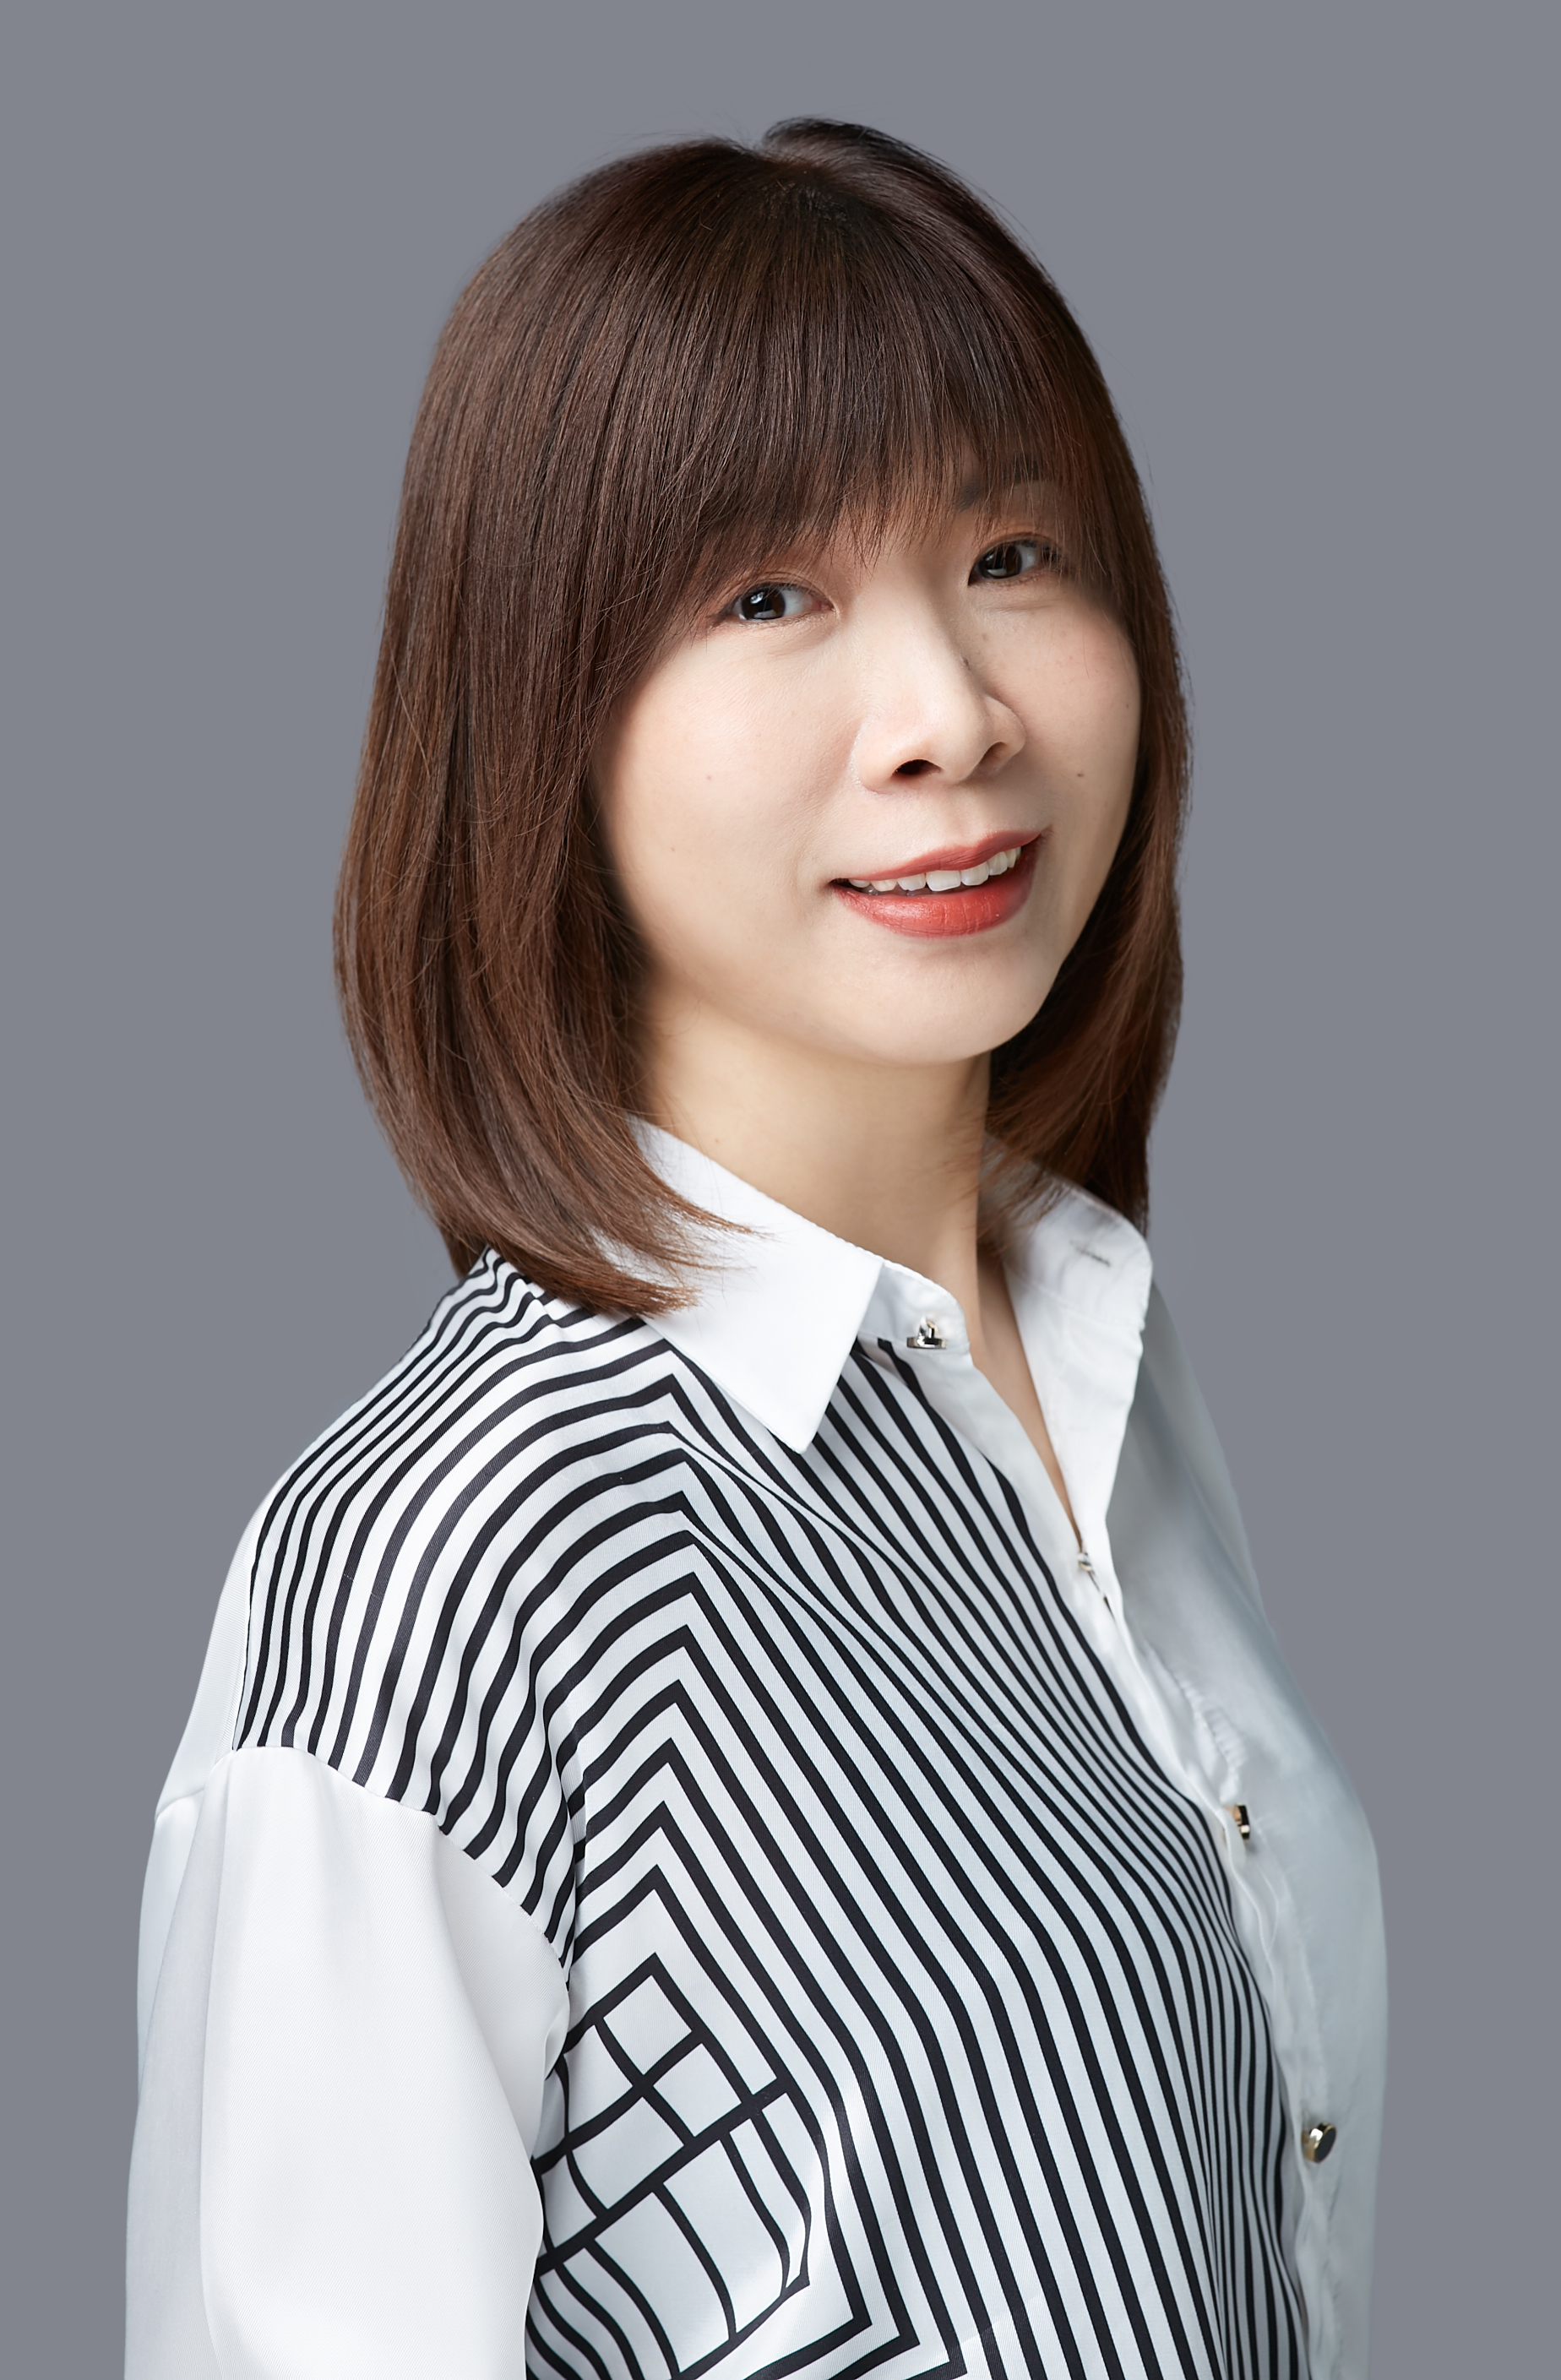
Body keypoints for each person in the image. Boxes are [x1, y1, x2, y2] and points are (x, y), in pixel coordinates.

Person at [125, 120, 1385, 2380]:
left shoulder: (1097, 1363)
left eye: (1012, 552)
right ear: (539, 714)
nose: (952, 715)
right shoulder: (456, 1556)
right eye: (772, 597)